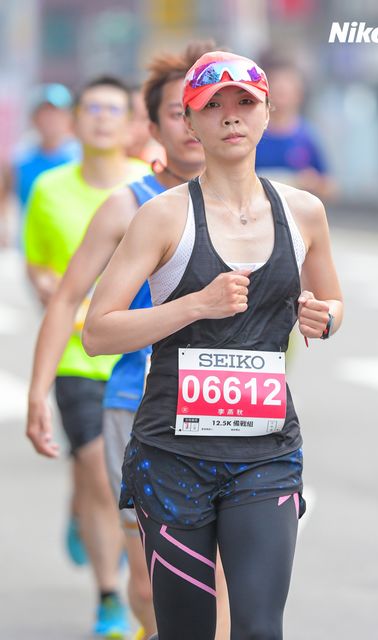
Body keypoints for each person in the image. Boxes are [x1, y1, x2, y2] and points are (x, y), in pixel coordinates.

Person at [83, 51, 343, 640]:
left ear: (267, 113)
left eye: (245, 102)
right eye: (212, 105)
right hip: (172, 457)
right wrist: (194, 305)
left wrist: (323, 318)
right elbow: (97, 331)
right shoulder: (161, 217)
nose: (231, 116)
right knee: (188, 631)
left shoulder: (304, 213)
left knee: (259, 627)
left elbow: (333, 303)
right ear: (191, 122)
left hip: (266, 455)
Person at [25, 44, 232, 640]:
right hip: (135, 399)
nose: (196, 122)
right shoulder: (129, 205)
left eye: (212, 106)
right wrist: (38, 393)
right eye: (179, 110)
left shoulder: (256, 204)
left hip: (222, 406)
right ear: (156, 126)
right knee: (148, 584)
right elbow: (67, 298)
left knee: (217, 571)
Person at [24, 75, 148, 638]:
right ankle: (107, 596)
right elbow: (38, 263)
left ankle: (95, 521)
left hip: (138, 355)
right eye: (91, 108)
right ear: (75, 122)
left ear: (132, 123)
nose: (101, 118)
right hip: (78, 356)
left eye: (113, 109)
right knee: (99, 470)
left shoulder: (150, 187)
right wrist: (46, 286)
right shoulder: (48, 188)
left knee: (118, 479)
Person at [255, 58, 336, 200]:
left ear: (299, 94)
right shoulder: (253, 135)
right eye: (277, 87)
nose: (281, 93)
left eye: (287, 88)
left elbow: (330, 188)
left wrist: (312, 182)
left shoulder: (307, 137)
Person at [13, 83, 80, 209]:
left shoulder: (80, 158)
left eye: (57, 114)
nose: (51, 120)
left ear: (70, 118)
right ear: (34, 119)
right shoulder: (20, 160)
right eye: (45, 114)